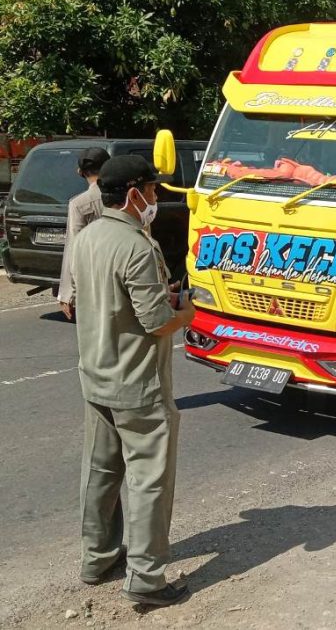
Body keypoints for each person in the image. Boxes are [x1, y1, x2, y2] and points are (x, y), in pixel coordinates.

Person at [72, 155, 195, 606]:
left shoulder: (87, 237)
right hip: (138, 384)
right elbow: (157, 321)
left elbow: (105, 300)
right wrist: (187, 312)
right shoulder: (137, 247)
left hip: (96, 373)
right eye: (154, 190)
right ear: (133, 195)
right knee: (149, 479)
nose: (157, 198)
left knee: (101, 471)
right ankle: (146, 581)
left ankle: (97, 558)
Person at [58, 147, 110, 320]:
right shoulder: (128, 196)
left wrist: (67, 294)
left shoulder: (79, 204)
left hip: (93, 282)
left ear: (80, 172)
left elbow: (74, 247)